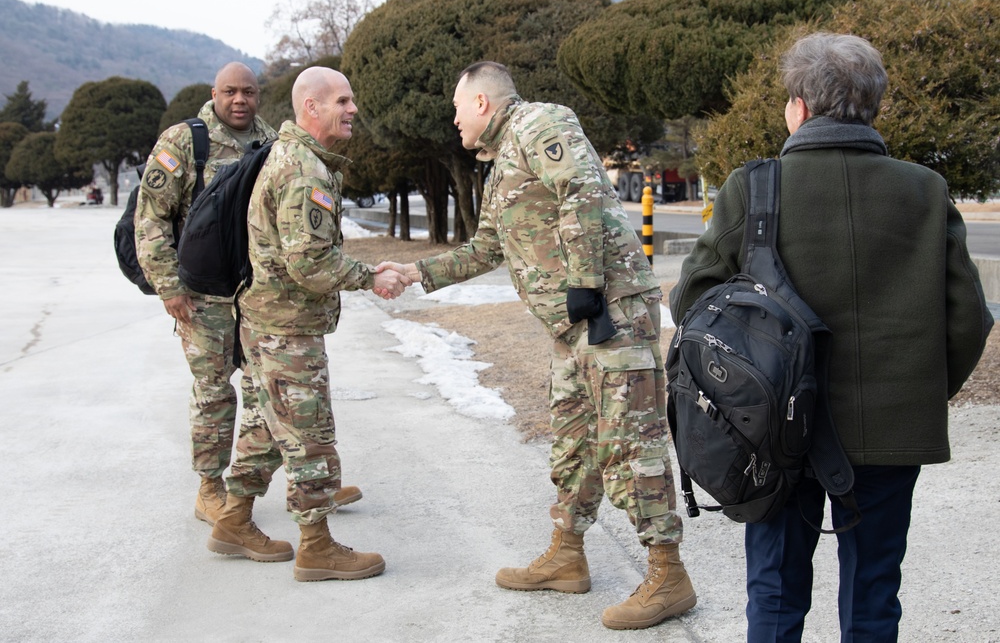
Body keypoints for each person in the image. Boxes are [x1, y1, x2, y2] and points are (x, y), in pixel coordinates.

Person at [669, 32, 994, 642]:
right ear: (873, 104)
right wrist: (916, 390)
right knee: (874, 595)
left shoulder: (754, 185)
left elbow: (693, 302)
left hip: (770, 431)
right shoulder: (924, 189)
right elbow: (969, 318)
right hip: (891, 429)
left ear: (799, 105)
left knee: (774, 592)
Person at [383, 61, 697, 630]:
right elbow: (483, 250)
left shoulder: (540, 122)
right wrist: (415, 276)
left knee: (630, 440)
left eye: (457, 107)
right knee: (574, 442)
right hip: (571, 326)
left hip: (610, 312)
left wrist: (585, 284)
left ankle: (668, 574)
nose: (453, 119)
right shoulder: (500, 162)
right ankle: (567, 555)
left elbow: (578, 190)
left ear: (481, 102)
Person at [134, 62, 365, 525]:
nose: (240, 100)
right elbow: (151, 218)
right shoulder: (185, 141)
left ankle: (306, 483)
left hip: (252, 292)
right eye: (230, 92)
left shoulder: (266, 139)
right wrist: (169, 287)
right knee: (215, 392)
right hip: (202, 295)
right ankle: (210, 489)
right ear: (213, 93)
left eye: (249, 92)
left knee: (267, 393)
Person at [206, 67, 411, 580]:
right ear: (311, 108)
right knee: (309, 436)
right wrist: (372, 277)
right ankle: (316, 546)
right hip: (286, 327)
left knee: (264, 425)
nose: (353, 110)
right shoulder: (304, 170)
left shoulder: (296, 158)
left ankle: (233, 520)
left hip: (264, 319)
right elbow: (311, 265)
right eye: (342, 101)